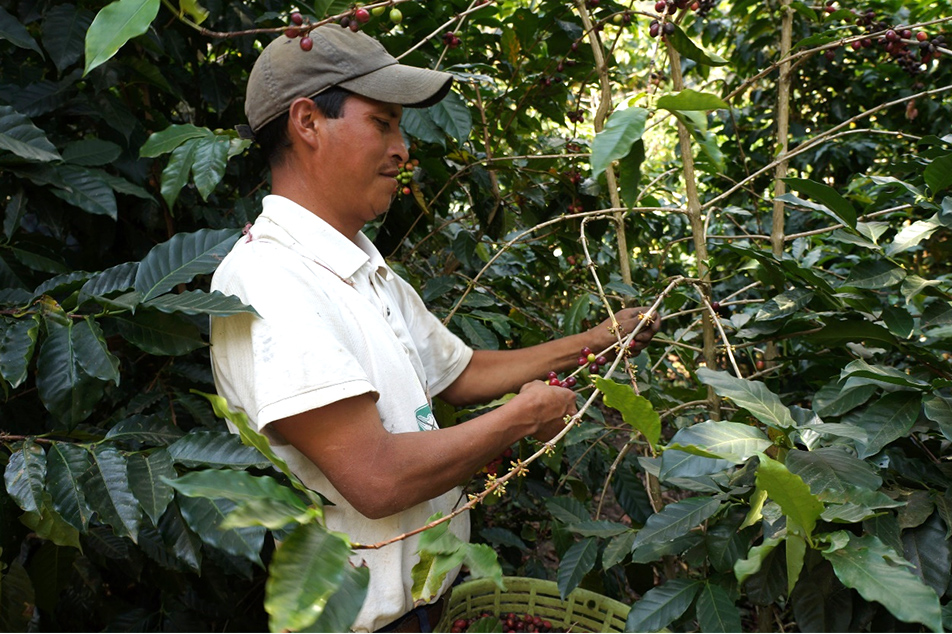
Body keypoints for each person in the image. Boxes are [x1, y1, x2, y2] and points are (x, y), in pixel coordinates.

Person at [209, 25, 660, 633]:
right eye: (383, 123)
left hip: (428, 602)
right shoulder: (269, 282)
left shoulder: (361, 265)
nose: (402, 149)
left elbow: (460, 371)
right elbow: (376, 478)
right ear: (308, 121)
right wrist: (520, 419)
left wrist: (596, 339)